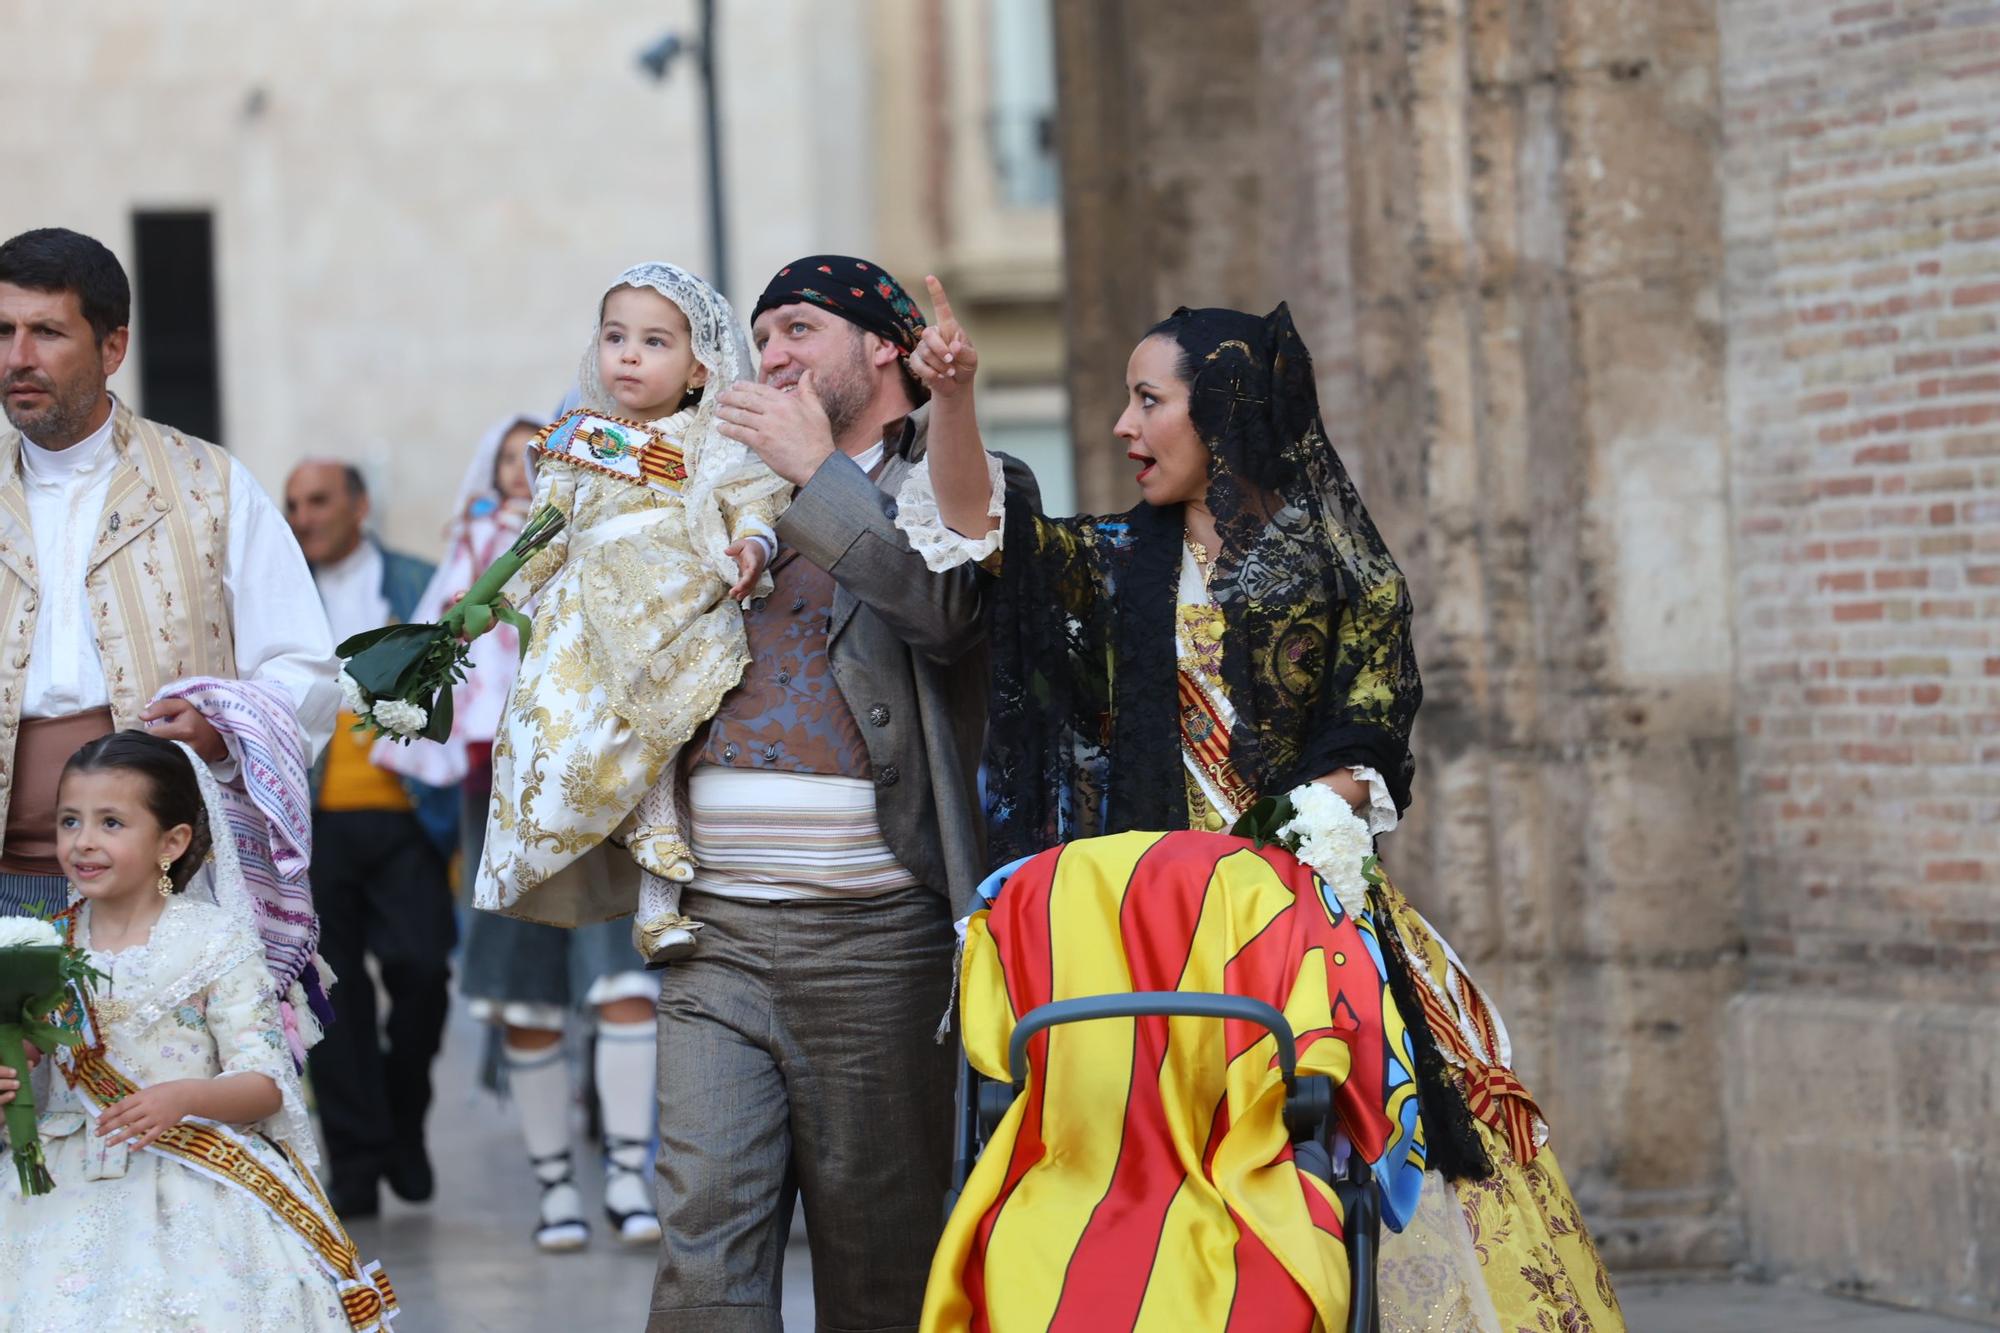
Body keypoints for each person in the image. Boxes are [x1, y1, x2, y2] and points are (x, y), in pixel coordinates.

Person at [902, 291, 1626, 1330]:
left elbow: (1370, 740)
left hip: (1304, 924)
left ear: (1224, 413)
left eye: (1147, 401)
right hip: (1150, 938)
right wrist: (955, 397)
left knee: (1388, 1149)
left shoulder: (1343, 568)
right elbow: (982, 529)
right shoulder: (1109, 563)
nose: (1122, 427)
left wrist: (1293, 831)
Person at [632, 257, 1034, 1333]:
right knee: (699, 1258)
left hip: (878, 941)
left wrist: (820, 477)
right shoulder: (719, 478)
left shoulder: (964, 479)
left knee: (881, 1267)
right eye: (761, 338)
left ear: (882, 347)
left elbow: (945, 612)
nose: (772, 358)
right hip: (709, 935)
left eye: (800, 330)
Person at [0, 226, 340, 1055]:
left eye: (46, 332)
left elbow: (305, 666)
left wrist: (229, 728)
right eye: (3, 332)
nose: (17, 356)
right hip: (6, 887)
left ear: (113, 345)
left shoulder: (209, 485)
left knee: (156, 1122)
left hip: (167, 889)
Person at [379, 414, 666, 1252]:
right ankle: (554, 1187)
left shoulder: (611, 529)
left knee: (623, 983)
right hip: (503, 789)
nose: (524, 468)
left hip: (600, 780)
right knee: (521, 990)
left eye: (538, 453)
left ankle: (624, 1172)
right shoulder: (474, 547)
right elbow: (440, 643)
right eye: (510, 457)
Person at [0, 731, 395, 1331]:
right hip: (61, 1181)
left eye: (111, 823)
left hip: (199, 1178)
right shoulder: (39, 944)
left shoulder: (215, 940)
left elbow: (265, 1083)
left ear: (173, 841)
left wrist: (183, 1097)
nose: (83, 842)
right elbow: (28, 1076)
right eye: (69, 821)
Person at [471, 261, 785, 972]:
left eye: (653, 341)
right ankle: (643, 853)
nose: (629, 354)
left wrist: (754, 545)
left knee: (666, 717)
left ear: (700, 367)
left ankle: (656, 904)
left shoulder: (716, 439)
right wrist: (490, 597)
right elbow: (544, 535)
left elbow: (753, 506)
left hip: (679, 595)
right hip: (591, 616)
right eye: (616, 337)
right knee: (583, 745)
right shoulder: (578, 439)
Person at [285, 459, 458, 1218]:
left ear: (360, 505)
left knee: (422, 971)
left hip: (408, 813)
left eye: (318, 500)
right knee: (334, 993)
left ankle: (402, 1116)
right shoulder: (280, 593)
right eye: (293, 504)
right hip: (313, 820)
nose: (303, 516)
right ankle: (356, 1159)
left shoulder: (418, 578)